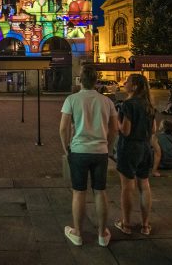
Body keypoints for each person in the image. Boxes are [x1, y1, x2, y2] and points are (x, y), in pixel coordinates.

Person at [59, 65, 118, 247]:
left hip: (78, 150)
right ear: (96, 80)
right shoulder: (107, 102)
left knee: (79, 192)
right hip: (100, 151)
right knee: (100, 191)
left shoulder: (72, 99)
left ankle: (77, 233)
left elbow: (63, 128)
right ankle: (102, 234)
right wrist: (107, 145)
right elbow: (114, 129)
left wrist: (66, 148)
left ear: (80, 80)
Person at [115, 74, 156, 236]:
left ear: (135, 86)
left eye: (128, 82)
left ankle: (126, 224)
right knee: (144, 185)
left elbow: (125, 130)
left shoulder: (128, 104)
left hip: (130, 148)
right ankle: (145, 225)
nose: (124, 83)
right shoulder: (149, 105)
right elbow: (153, 129)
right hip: (146, 147)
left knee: (127, 187)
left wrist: (117, 122)